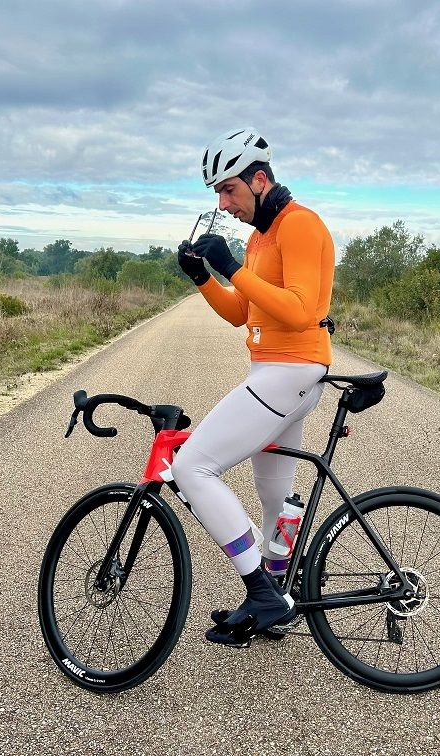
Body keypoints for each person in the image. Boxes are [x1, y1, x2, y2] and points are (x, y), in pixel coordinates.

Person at [171, 128, 335, 646]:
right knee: (273, 499)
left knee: (191, 468)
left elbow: (302, 310)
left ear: (259, 180)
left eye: (229, 190)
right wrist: (203, 277)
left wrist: (230, 266)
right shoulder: (260, 238)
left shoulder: (299, 225)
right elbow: (241, 311)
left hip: (290, 371)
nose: (224, 203)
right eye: (219, 193)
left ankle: (262, 593)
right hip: (275, 372)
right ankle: (276, 600)